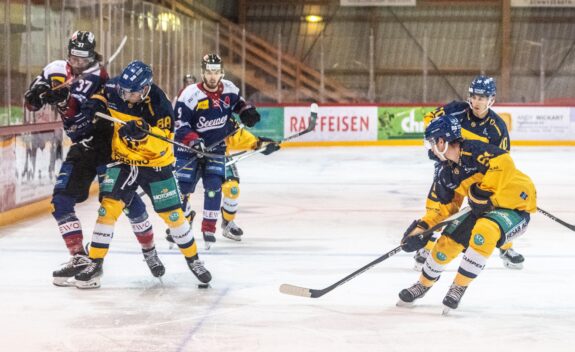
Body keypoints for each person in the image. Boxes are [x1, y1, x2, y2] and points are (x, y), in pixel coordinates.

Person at [23, 31, 162, 287]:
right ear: (68, 52)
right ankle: (79, 258)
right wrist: (35, 95)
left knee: (125, 201)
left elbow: (83, 112)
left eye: (83, 58)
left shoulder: (100, 76)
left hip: (106, 145)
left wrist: (65, 101)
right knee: (61, 201)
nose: (78, 63)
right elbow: (33, 102)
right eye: (74, 57)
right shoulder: (55, 69)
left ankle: (149, 249)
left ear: (92, 56)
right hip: (81, 146)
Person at [74, 60, 211, 288]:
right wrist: (94, 104)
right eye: (123, 91)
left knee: (174, 216)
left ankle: (194, 260)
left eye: (132, 93)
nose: (126, 95)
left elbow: (164, 144)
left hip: (155, 164)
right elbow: (103, 94)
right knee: (107, 209)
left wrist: (144, 134)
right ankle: (96, 261)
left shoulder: (160, 104)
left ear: (146, 88)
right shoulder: (119, 86)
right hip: (124, 161)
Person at [397, 115, 536, 313]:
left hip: (514, 208)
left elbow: (505, 162)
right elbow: (443, 212)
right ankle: (422, 284)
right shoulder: (446, 174)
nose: (430, 148)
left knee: (484, 231)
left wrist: (484, 191)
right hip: (480, 209)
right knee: (446, 242)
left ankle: (458, 286)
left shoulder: (474, 150)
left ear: (442, 141)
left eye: (431, 142)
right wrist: (420, 230)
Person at [416, 75, 525, 270]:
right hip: (450, 168)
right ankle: (427, 246)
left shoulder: (497, 128)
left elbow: (502, 161)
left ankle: (506, 247)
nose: (476, 101)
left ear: (491, 99)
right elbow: (430, 119)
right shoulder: (457, 109)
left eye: (482, 98)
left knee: (493, 209)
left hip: (475, 175)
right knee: (440, 208)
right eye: (474, 96)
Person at [173, 53, 261, 250]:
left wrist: (246, 111)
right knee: (183, 189)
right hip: (188, 150)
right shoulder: (189, 94)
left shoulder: (230, 89)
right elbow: (180, 124)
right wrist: (194, 140)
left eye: (216, 72)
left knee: (214, 187)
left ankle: (209, 228)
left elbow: (239, 104)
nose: (212, 76)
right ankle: (182, 222)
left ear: (221, 72)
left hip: (216, 149)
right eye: (208, 72)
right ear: (202, 72)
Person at [220, 122, 280, 240]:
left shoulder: (222, 110)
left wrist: (258, 144)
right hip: (189, 155)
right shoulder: (188, 107)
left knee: (232, 188)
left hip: (219, 155)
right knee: (181, 188)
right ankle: (180, 223)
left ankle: (227, 222)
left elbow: (237, 134)